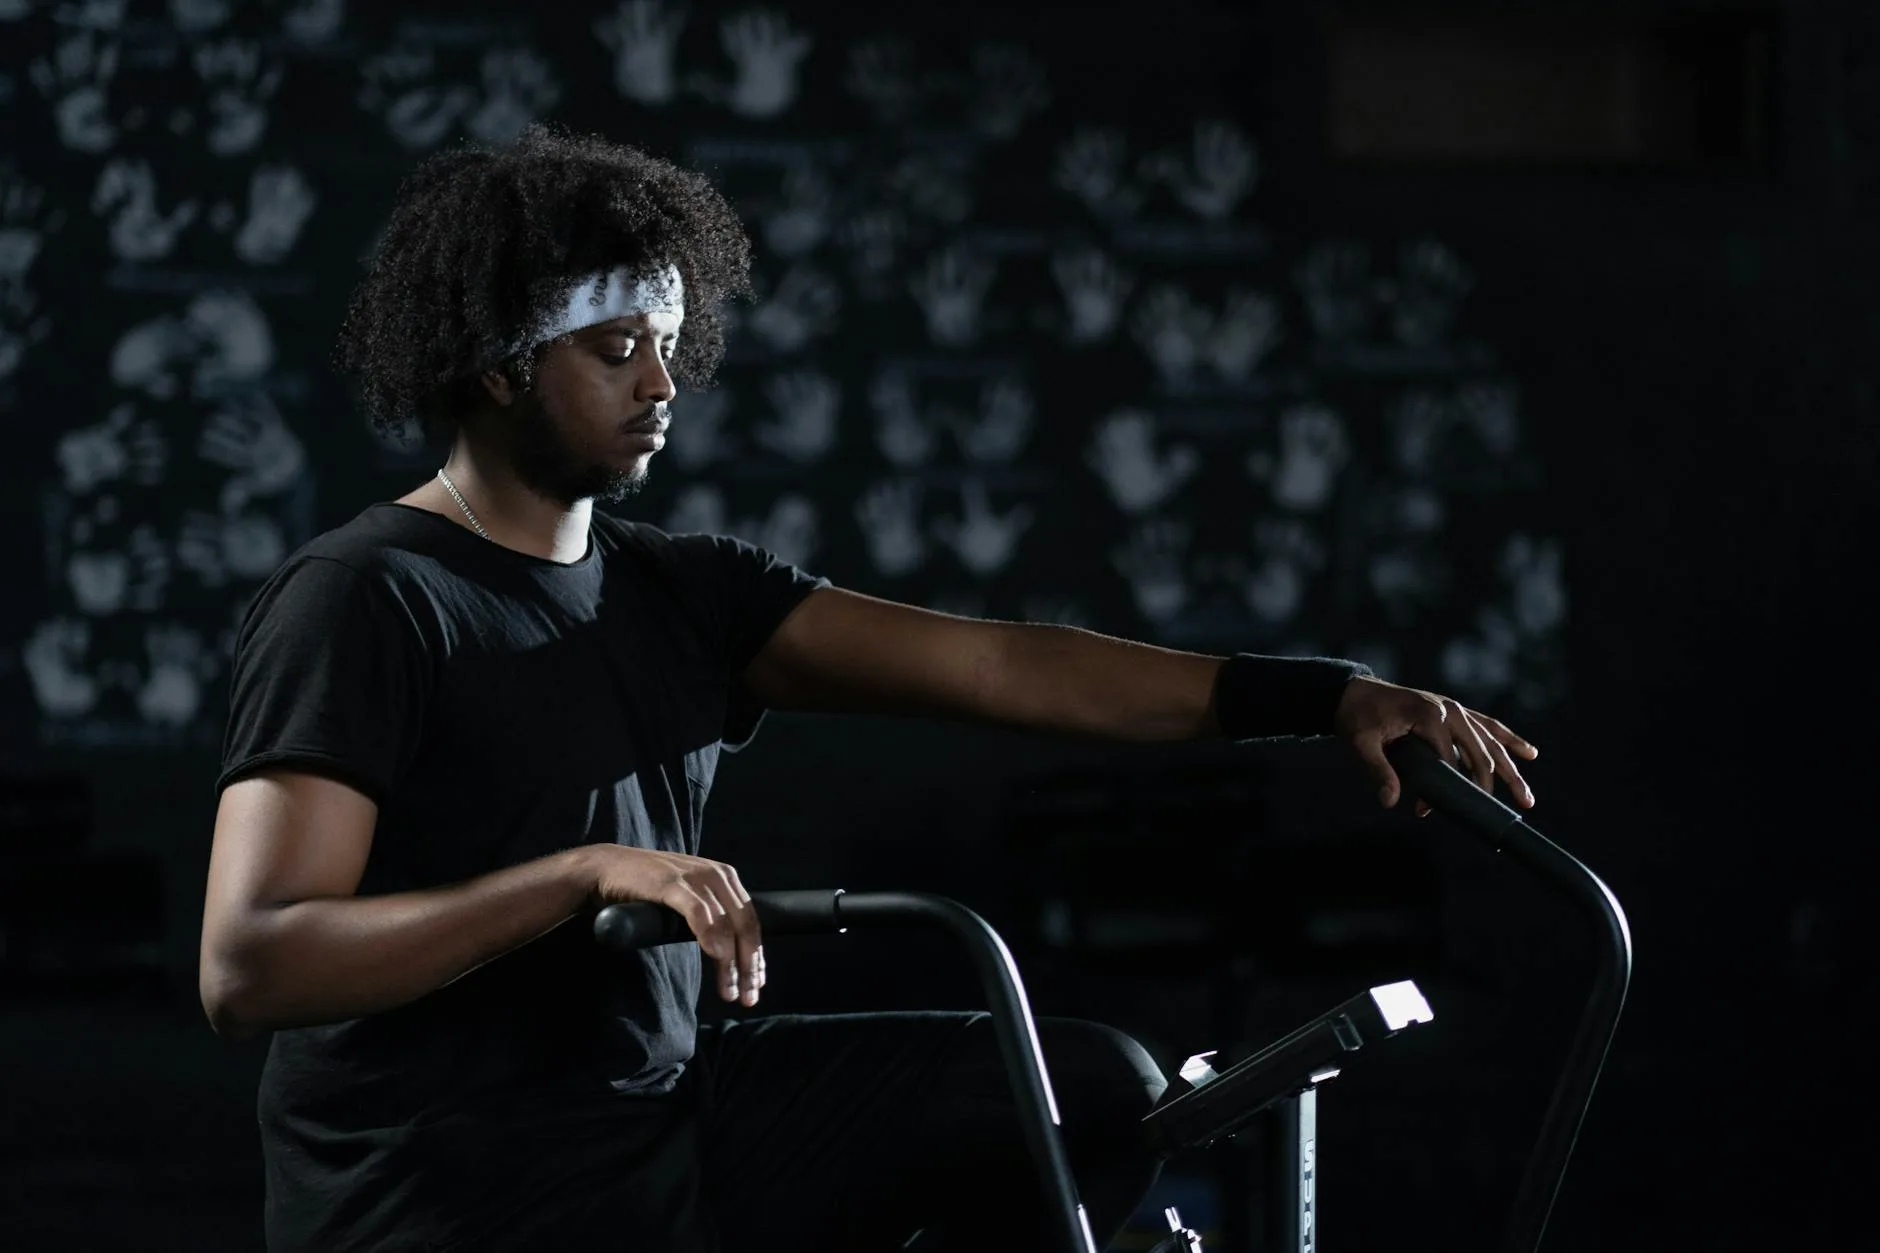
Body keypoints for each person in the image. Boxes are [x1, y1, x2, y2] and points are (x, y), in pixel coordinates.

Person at [199, 125, 1537, 1253]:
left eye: (670, 344)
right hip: (444, 1188)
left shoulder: (683, 593)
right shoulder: (366, 599)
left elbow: (1001, 664)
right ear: (498, 366)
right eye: (616, 350)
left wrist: (1327, 695)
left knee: (1072, 1091)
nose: (665, 385)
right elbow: (250, 961)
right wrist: (579, 876)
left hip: (657, 1128)